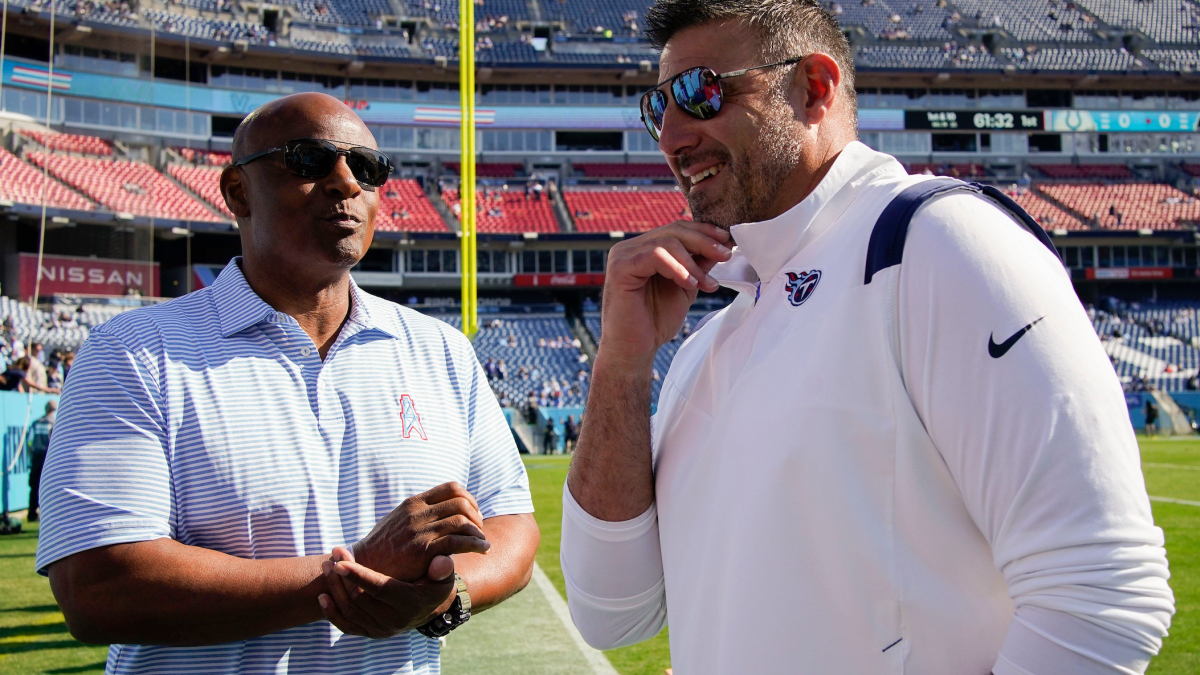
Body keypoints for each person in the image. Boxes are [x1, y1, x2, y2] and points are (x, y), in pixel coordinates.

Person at [560, 2, 1173, 674]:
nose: (671, 136)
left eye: (700, 93)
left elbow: (1104, 592)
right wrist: (621, 365)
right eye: (657, 110)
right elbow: (611, 611)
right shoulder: (709, 342)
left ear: (815, 88)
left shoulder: (933, 242)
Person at [35, 93, 539, 675]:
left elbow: (511, 526)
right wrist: (347, 578)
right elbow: (97, 587)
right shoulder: (134, 352)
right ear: (237, 192)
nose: (346, 182)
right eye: (309, 160)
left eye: (366, 168)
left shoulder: (440, 349)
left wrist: (445, 599)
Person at [26, 400, 56, 522]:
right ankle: (47, 515)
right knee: (48, 486)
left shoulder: (35, 423)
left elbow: (28, 442)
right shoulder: (54, 423)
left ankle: (32, 513)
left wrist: (31, 454)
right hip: (47, 456)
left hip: (36, 456)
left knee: (34, 486)